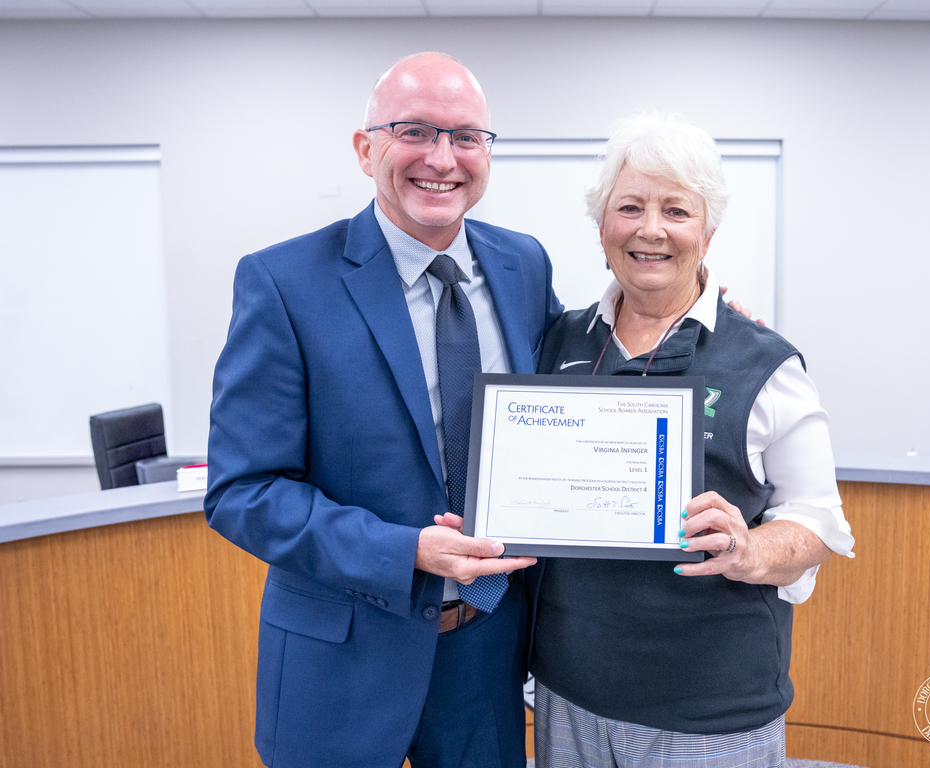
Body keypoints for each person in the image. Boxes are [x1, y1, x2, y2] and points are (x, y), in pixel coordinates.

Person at [205, 52, 563, 768]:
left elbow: (573, 391)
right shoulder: (282, 282)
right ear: (366, 149)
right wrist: (406, 552)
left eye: (466, 136)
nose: (443, 158)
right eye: (415, 131)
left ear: (487, 153)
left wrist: (694, 317)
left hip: (486, 657)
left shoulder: (524, 264)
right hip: (341, 668)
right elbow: (242, 492)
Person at [526, 112, 855, 768]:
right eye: (629, 207)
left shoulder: (766, 364)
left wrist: (749, 549)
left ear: (707, 231)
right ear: (601, 225)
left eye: (676, 210)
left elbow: (818, 523)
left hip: (711, 714)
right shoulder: (556, 341)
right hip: (568, 697)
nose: (650, 229)